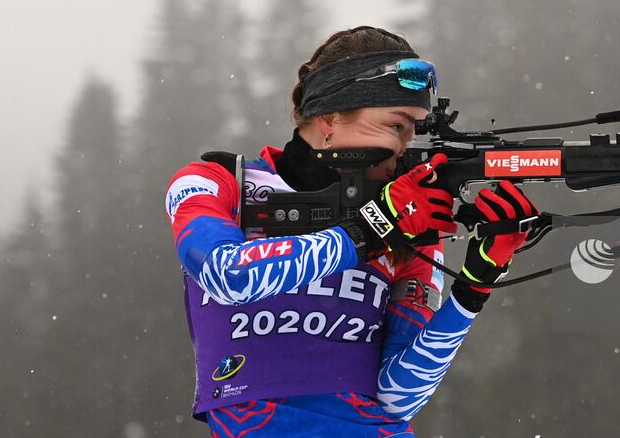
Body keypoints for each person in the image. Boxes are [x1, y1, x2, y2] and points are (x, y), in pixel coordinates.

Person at [165, 25, 537, 437]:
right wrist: (373, 227)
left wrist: (473, 288)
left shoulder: (408, 218)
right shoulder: (219, 181)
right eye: (396, 126)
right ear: (328, 119)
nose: (404, 149)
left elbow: (398, 397)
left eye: (414, 130)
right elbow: (228, 275)